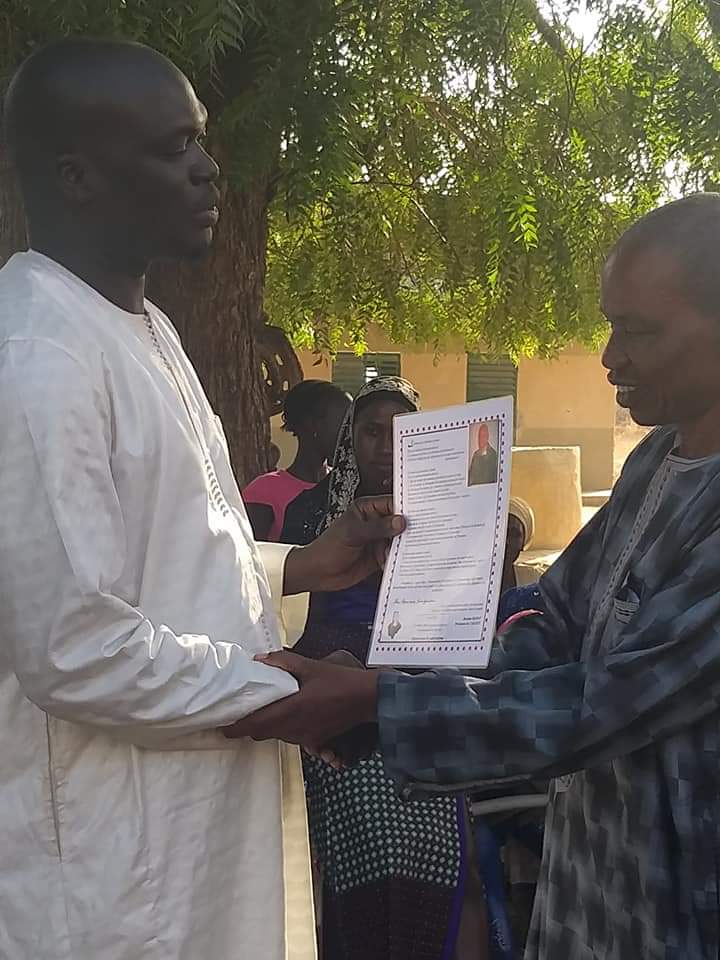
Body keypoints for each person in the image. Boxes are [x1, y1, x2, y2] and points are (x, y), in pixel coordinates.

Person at [228, 194, 720, 960]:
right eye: (610, 326)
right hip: (590, 891)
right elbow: (552, 623)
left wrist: (380, 702)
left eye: (641, 331)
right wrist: (387, 686)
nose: (610, 358)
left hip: (681, 902)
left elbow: (604, 703)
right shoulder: (657, 463)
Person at [0, 39, 403, 960]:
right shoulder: (37, 358)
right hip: (116, 861)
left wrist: (302, 564)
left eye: (203, 140)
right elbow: (74, 646)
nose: (209, 169)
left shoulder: (144, 327)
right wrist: (288, 692)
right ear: (77, 177)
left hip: (198, 818)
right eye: (175, 146)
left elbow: (161, 552)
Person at [280, 376, 488, 960]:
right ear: (351, 437)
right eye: (372, 431)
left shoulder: (449, 515)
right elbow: (283, 611)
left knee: (452, 860)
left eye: (402, 432)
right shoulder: (310, 513)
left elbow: (471, 612)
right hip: (334, 694)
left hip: (420, 692)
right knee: (367, 854)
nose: (387, 446)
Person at [243, 380, 351, 540]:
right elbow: (251, 552)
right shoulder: (264, 490)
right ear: (312, 425)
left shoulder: (346, 486)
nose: (350, 435)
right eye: (343, 425)